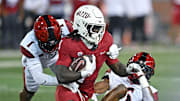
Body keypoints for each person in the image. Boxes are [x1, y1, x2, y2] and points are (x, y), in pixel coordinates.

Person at [54, 5, 132, 101]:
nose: (99, 33)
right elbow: (61, 76)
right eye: (95, 28)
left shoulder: (105, 39)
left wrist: (130, 70)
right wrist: (83, 74)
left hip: (89, 92)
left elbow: (117, 68)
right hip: (70, 90)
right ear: (81, 25)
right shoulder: (68, 43)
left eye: (100, 28)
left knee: (122, 90)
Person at [19, 15, 73, 101]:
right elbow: (39, 78)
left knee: (74, 82)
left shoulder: (66, 27)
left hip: (56, 58)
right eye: (47, 44)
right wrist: (61, 80)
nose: (51, 47)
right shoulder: (29, 45)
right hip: (37, 60)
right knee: (29, 91)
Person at [94, 52, 158, 101]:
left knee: (121, 89)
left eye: (144, 70)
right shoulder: (117, 75)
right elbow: (102, 86)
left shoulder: (151, 91)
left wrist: (141, 76)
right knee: (120, 88)